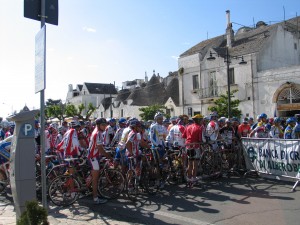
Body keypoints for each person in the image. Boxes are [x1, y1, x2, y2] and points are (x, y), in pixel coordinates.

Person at [87, 118, 112, 204]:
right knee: (95, 179)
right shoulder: (97, 133)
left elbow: (100, 147)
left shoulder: (97, 132)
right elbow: (100, 149)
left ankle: (94, 193)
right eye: (103, 125)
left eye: (105, 125)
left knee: (94, 177)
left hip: (94, 156)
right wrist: (108, 156)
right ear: (98, 125)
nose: (105, 126)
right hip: (93, 157)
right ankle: (95, 198)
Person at [182, 114, 206, 182]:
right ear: (199, 120)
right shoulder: (200, 127)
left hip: (188, 146)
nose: (202, 121)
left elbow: (184, 136)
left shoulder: (188, 126)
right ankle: (194, 177)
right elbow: (201, 139)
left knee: (190, 162)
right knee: (195, 163)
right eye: (201, 119)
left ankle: (189, 178)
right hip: (195, 146)